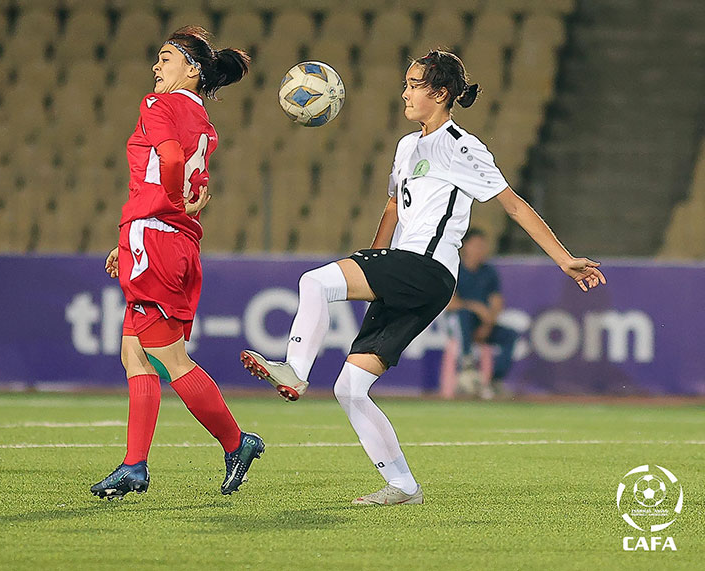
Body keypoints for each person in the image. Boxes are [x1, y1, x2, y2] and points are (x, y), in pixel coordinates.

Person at [240, 49, 605, 506]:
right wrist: (375, 256)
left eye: (414, 84)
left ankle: (294, 370)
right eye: (407, 83)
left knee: (315, 283)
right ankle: (403, 485)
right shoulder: (407, 145)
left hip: (428, 269)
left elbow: (512, 204)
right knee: (350, 388)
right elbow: (393, 207)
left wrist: (564, 259)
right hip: (408, 269)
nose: (405, 92)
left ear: (441, 93)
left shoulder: (461, 146)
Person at [91, 26, 264, 500]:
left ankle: (236, 442)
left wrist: (156, 210)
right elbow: (190, 186)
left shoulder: (158, 104)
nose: (156, 67)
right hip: (173, 242)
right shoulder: (205, 124)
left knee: (168, 356)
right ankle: (134, 466)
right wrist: (132, 234)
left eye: (165, 58)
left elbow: (166, 161)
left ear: (193, 68)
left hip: (157, 238)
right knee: (134, 353)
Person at [448, 228, 519, 397]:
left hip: (482, 324)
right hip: (456, 324)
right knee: (462, 316)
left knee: (510, 335)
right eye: (477, 245)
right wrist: (476, 308)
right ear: (465, 246)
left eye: (483, 246)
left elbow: (497, 302)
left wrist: (488, 324)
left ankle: (496, 380)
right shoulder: (454, 268)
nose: (481, 250)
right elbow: (450, 304)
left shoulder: (489, 272)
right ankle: (467, 366)